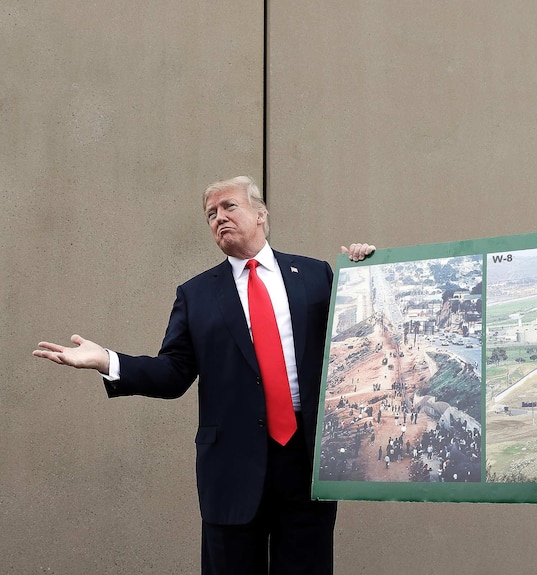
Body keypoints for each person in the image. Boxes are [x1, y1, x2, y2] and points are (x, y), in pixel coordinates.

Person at [33, 175, 375, 575]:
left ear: (261, 214)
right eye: (210, 214)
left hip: (306, 462)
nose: (219, 218)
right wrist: (107, 360)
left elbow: (359, 340)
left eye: (230, 206)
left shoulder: (316, 275)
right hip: (231, 466)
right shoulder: (196, 294)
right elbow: (173, 372)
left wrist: (365, 268)